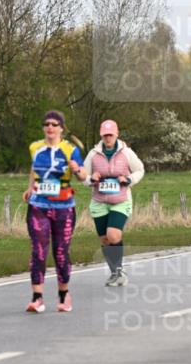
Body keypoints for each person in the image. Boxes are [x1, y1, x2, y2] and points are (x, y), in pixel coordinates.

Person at [23, 110, 87, 311]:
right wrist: (29, 187)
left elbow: (84, 176)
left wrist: (76, 168)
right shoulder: (35, 147)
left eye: (54, 124)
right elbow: (34, 169)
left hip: (64, 208)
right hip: (39, 205)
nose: (50, 127)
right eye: (47, 124)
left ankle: (64, 295)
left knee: (61, 252)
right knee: (39, 251)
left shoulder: (70, 150)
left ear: (61, 128)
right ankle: (37, 297)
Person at [83, 120, 145, 286]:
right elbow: (83, 175)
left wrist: (128, 179)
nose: (108, 138)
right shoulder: (93, 154)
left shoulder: (126, 152)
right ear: (101, 135)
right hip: (99, 201)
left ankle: (119, 271)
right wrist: (91, 179)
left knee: (113, 235)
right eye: (105, 135)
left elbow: (140, 169)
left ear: (116, 134)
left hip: (121, 200)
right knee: (104, 239)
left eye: (110, 135)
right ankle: (115, 272)